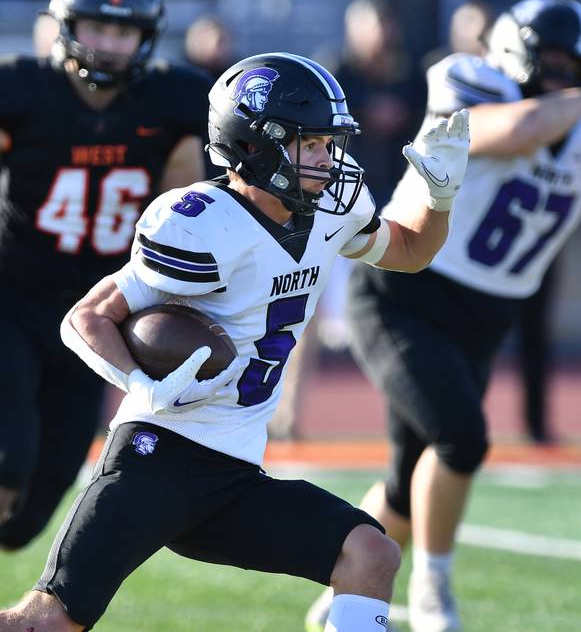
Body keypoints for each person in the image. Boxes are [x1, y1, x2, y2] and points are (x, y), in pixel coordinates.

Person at [0, 52, 470, 631]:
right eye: (312, 144)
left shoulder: (327, 211)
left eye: (330, 142)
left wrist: (440, 197)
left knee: (371, 554)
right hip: (158, 457)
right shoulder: (200, 223)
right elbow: (87, 317)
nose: (329, 161)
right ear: (254, 144)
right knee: (45, 622)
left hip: (235, 470)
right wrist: (141, 380)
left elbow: (410, 250)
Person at [306, 0, 581, 632]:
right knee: (462, 438)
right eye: (549, 58)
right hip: (402, 289)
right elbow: (516, 131)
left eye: (571, 62)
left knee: (405, 480)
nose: (560, 71)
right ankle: (431, 590)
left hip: (484, 315)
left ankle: (341, 600)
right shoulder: (466, 79)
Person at [0, 0, 212, 551]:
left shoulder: (177, 101)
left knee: (34, 510)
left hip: (96, 312)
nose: (108, 43)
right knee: (7, 460)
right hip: (12, 298)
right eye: (96, 25)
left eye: (123, 30)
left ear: (146, 34)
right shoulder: (20, 88)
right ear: (67, 25)